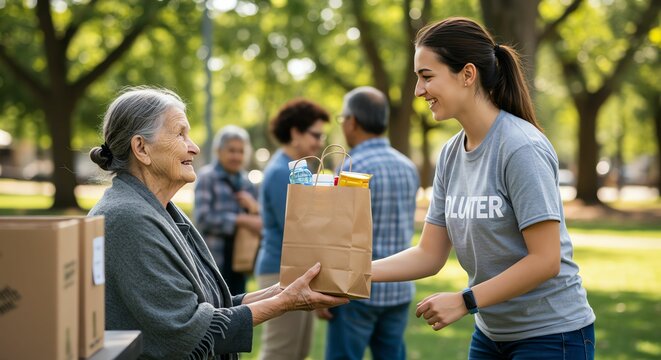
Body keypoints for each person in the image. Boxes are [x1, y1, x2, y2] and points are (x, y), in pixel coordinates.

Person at [371, 17, 596, 359]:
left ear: (467, 74)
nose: (418, 91)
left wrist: (465, 300)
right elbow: (429, 255)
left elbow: (546, 259)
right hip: (491, 335)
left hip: (552, 335)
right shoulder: (450, 153)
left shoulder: (520, 147)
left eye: (427, 77)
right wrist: (353, 273)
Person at [88, 87, 348, 360]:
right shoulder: (127, 218)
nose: (195, 147)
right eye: (180, 133)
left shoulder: (155, 208)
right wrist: (284, 302)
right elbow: (187, 329)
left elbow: (207, 307)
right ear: (141, 148)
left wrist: (279, 291)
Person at [317, 86, 419, 360]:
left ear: (352, 121)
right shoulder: (407, 166)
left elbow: (338, 234)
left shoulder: (352, 167)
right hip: (399, 287)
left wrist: (325, 287)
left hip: (356, 290)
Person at [254, 98, 330, 360]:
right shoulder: (279, 172)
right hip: (280, 271)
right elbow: (298, 229)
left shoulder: (300, 168)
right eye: (315, 134)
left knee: (298, 351)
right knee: (280, 352)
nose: (320, 142)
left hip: (295, 271)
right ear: (296, 132)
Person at [194, 125, 260, 295]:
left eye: (241, 151)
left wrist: (254, 208)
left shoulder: (247, 183)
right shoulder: (207, 177)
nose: (236, 156)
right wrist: (239, 220)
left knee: (240, 308)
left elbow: (259, 222)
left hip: (241, 261)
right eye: (231, 150)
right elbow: (202, 219)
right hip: (213, 261)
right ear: (219, 151)